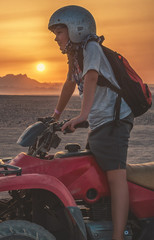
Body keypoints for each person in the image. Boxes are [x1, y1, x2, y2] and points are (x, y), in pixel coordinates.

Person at [48, 5, 133, 240]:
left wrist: (82, 116)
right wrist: (54, 116)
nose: (56, 39)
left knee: (116, 178)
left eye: (59, 32)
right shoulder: (76, 55)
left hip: (114, 121)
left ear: (76, 28)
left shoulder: (91, 47)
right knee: (95, 171)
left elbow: (91, 77)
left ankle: (118, 236)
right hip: (101, 121)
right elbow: (69, 84)